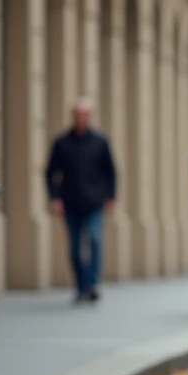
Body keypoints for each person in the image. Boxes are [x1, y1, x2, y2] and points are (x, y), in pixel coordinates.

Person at [45, 99, 117, 304]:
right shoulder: (62, 143)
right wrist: (55, 198)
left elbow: (110, 172)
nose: (81, 118)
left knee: (94, 240)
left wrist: (111, 197)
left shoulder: (100, 142)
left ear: (89, 116)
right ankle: (81, 285)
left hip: (94, 202)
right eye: (78, 114)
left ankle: (92, 284)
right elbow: (50, 173)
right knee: (76, 246)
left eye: (85, 114)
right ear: (73, 116)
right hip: (70, 201)